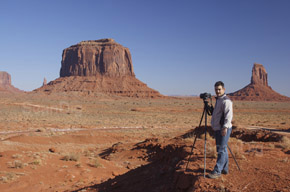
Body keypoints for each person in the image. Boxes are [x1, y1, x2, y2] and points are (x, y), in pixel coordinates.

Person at [207, 81, 233, 179]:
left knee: (221, 150)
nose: (217, 91)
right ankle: (225, 169)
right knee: (221, 149)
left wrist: (225, 127)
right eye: (216, 89)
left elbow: (228, 116)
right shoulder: (218, 100)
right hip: (218, 128)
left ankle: (217, 171)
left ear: (224, 89)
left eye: (219, 89)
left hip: (223, 129)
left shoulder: (226, 101)